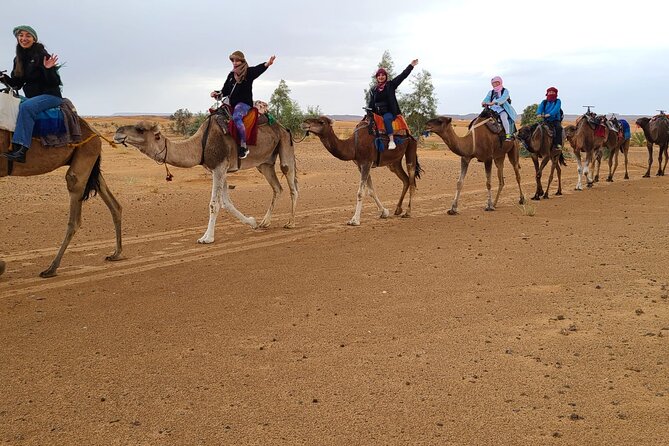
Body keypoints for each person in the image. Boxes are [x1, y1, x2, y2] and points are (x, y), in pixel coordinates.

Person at [0, 25, 63, 163]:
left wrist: (48, 69)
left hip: (51, 96)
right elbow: (17, 84)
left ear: (34, 39)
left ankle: (21, 149)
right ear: (17, 38)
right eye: (21, 35)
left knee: (26, 107)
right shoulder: (18, 59)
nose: (24, 38)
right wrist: (2, 78)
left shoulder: (42, 55)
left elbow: (55, 82)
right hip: (33, 97)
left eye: (28, 36)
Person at [211, 51, 275, 159]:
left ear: (242, 61)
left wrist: (267, 64)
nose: (234, 63)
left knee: (236, 116)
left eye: (237, 60)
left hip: (244, 104)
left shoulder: (248, 72)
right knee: (215, 116)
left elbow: (258, 69)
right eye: (233, 60)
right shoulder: (231, 75)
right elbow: (225, 90)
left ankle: (244, 146)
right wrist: (217, 93)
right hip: (232, 104)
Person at [367, 59, 418, 150]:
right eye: (379, 75)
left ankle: (391, 141)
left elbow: (402, 76)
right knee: (367, 123)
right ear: (376, 77)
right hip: (378, 113)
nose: (381, 77)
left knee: (386, 119)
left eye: (383, 75)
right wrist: (369, 111)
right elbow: (371, 102)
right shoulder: (373, 89)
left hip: (389, 112)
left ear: (386, 76)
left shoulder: (391, 85)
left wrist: (411, 66)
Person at [481, 76, 517, 140]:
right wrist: (484, 102)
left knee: (503, 118)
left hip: (502, 109)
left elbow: (503, 99)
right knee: (482, 117)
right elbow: (487, 99)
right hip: (493, 109)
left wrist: (494, 102)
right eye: (493, 83)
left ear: (499, 82)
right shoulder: (491, 92)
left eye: (495, 83)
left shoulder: (505, 91)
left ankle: (508, 135)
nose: (494, 84)